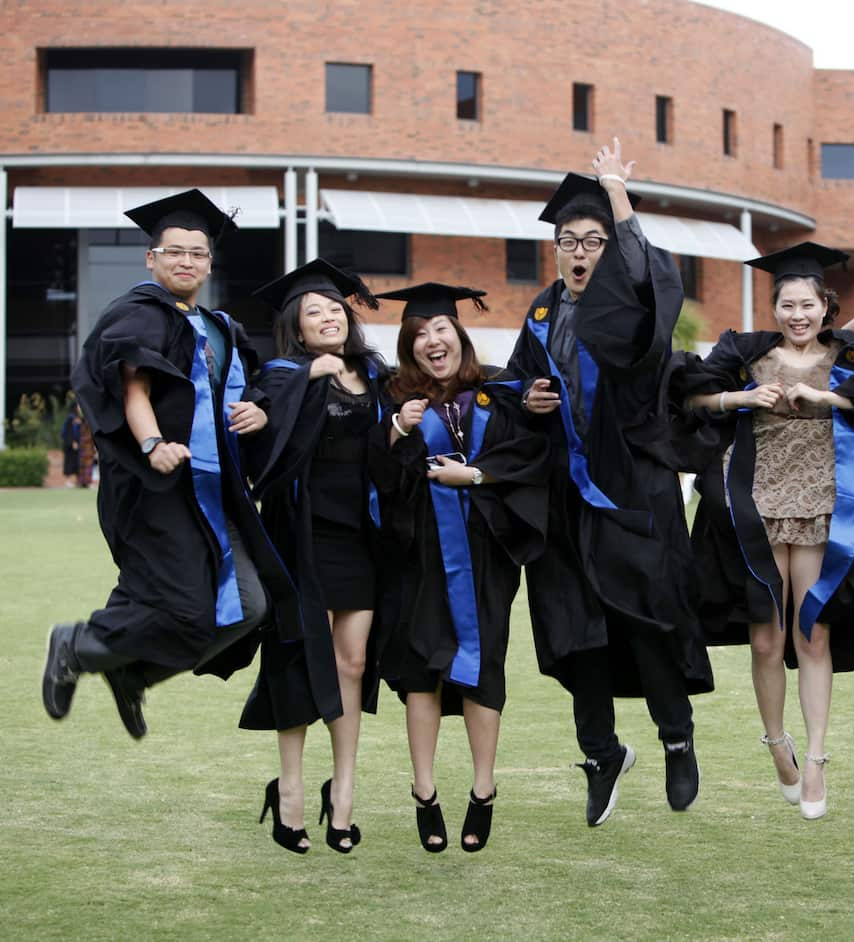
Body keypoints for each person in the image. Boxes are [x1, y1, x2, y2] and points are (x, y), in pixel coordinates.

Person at [681, 244, 854, 819]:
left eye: (807, 305)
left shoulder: (843, 355)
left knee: (813, 635)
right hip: (756, 508)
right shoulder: (748, 353)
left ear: (824, 307)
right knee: (766, 638)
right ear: (775, 307)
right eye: (787, 305)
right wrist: (743, 396)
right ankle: (776, 741)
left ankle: (814, 758)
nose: (797, 315)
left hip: (822, 507)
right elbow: (693, 398)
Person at [506, 139, 712, 827]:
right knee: (575, 632)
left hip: (632, 494)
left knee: (646, 622)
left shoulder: (630, 306)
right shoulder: (540, 314)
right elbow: (513, 387)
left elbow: (653, 280)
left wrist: (617, 191)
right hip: (566, 498)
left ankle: (676, 739)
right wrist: (527, 398)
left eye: (594, 239)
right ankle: (600, 755)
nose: (579, 251)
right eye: (569, 239)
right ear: (555, 248)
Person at [42, 189, 297, 739]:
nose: (186, 261)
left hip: (217, 490)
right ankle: (79, 645)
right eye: (174, 250)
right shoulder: (140, 313)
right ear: (151, 258)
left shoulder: (217, 326)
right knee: (186, 608)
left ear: (209, 263)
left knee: (250, 608)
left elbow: (238, 392)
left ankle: (134, 673)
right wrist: (154, 443)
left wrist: (256, 409)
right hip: (158, 487)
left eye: (197, 253)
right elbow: (133, 385)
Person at [370, 281, 548, 854]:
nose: (432, 340)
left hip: (486, 551)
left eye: (440, 329)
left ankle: (482, 788)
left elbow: (530, 458)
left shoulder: (499, 390)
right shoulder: (393, 398)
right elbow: (373, 477)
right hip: (417, 551)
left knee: (483, 663)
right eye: (419, 334)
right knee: (421, 666)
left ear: (458, 334)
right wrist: (398, 429)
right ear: (409, 346)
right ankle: (424, 792)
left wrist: (472, 476)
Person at [237, 259, 390, 854]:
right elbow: (258, 426)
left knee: (353, 663)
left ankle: (344, 791)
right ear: (297, 332)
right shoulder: (282, 375)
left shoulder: (375, 376)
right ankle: (293, 788)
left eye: (334, 309)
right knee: (303, 659)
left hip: (360, 539)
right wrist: (307, 379)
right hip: (302, 538)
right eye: (313, 314)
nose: (327, 318)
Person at [60, 398, 82, 486]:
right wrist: (72, 442)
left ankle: (77, 481)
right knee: (69, 461)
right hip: (71, 444)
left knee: (77, 462)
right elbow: (68, 432)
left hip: (78, 444)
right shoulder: (70, 418)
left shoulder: (78, 417)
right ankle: (68, 481)